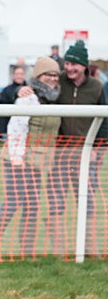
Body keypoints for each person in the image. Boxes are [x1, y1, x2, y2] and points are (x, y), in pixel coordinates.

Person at [0, 57, 61, 259]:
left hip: (36, 162)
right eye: (48, 74)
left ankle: (27, 252)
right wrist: (17, 159)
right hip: (17, 160)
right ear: (38, 76)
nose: (52, 78)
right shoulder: (28, 97)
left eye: (55, 75)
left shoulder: (54, 97)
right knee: (13, 202)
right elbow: (16, 128)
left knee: (32, 206)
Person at [46, 40, 105, 255]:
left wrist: (98, 149)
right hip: (60, 154)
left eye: (74, 64)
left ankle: (90, 249)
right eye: (67, 63)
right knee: (56, 202)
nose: (69, 68)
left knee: (87, 201)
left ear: (84, 66)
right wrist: (24, 89)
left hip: (85, 154)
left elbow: (104, 121)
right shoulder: (58, 81)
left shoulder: (97, 88)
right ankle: (58, 251)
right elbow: (40, 89)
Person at [0, 65, 28, 133]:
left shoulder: (30, 90)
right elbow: (1, 114)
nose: (19, 76)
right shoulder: (6, 91)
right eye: (17, 74)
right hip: (8, 128)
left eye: (21, 74)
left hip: (25, 128)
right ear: (13, 76)